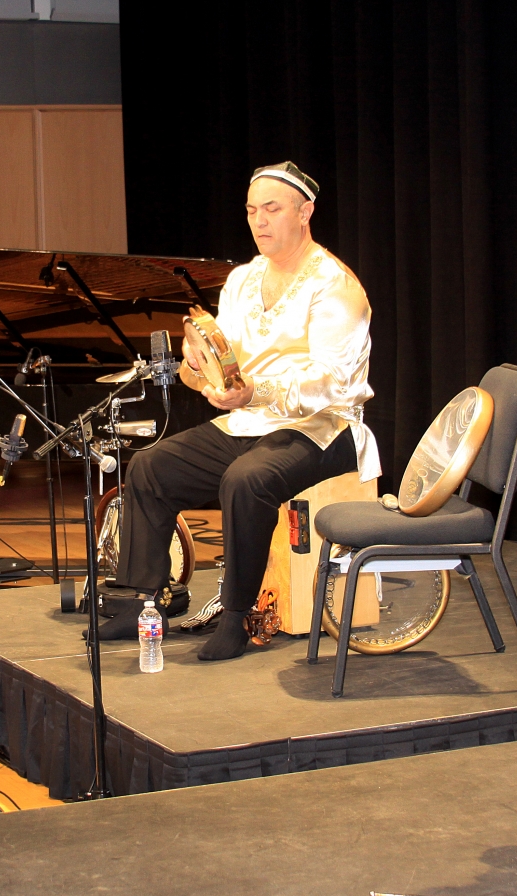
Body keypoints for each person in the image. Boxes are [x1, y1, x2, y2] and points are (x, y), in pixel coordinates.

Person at [96, 161, 379, 661]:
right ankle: (143, 601)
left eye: (272, 209)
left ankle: (236, 616)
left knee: (245, 481)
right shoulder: (243, 280)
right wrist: (197, 366)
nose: (260, 221)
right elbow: (223, 358)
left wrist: (253, 392)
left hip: (323, 427)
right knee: (149, 468)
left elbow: (328, 383)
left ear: (305, 211)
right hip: (251, 419)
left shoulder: (336, 287)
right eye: (252, 211)